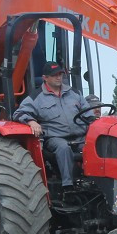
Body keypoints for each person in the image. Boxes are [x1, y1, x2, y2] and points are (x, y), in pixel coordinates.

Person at [13, 61, 91, 189]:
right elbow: (19, 113)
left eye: (60, 74)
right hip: (56, 138)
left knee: (96, 146)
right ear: (45, 78)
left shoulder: (74, 93)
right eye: (54, 75)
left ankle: (96, 182)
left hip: (80, 137)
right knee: (64, 148)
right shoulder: (36, 97)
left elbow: (89, 115)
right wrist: (31, 121)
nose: (59, 77)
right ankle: (68, 186)